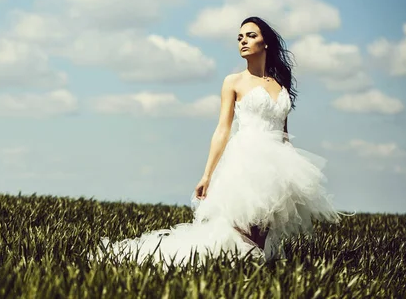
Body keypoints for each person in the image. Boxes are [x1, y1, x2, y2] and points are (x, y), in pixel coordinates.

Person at [88, 16, 353, 269]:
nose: (243, 41)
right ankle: (227, 264)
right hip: (247, 157)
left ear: (266, 43)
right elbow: (222, 130)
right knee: (242, 226)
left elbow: (284, 132)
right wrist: (207, 175)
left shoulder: (280, 85)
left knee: (264, 228)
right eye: (239, 37)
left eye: (251, 36)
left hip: (278, 164)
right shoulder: (233, 81)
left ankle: (255, 267)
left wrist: (294, 173)